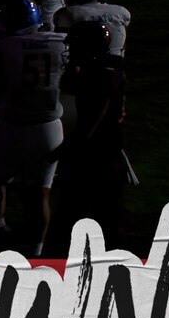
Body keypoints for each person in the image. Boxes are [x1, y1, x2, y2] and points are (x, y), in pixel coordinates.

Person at [0, 0, 66, 258]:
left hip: (12, 125)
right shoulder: (61, 42)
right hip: (48, 128)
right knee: (41, 193)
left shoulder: (4, 46)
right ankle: (37, 249)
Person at [49, 21, 128, 256]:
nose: (71, 49)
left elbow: (95, 117)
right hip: (106, 152)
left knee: (70, 221)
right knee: (104, 220)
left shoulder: (99, 75)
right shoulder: (110, 67)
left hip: (96, 156)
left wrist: (68, 148)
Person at [53, 0, 132, 58]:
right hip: (114, 66)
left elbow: (60, 46)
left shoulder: (67, 14)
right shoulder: (121, 12)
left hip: (83, 66)